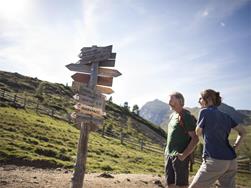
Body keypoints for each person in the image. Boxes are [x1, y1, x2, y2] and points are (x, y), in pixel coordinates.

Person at [189, 89, 246, 188]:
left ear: (209, 99)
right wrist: (235, 147)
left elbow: (198, 132)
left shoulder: (204, 111)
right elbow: (243, 132)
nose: (198, 101)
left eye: (200, 98)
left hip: (215, 159)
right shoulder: (226, 116)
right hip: (231, 161)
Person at [165, 92, 199, 188]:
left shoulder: (186, 116)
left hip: (180, 156)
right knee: (170, 184)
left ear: (180, 101)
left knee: (181, 185)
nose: (169, 102)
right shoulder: (172, 115)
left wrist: (184, 155)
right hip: (168, 154)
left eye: (171, 100)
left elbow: (195, 139)